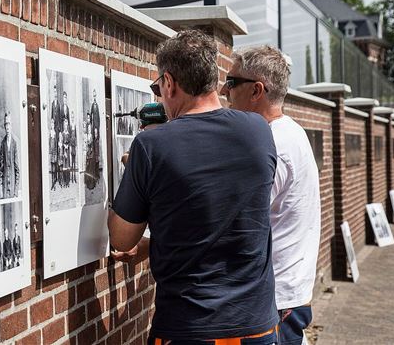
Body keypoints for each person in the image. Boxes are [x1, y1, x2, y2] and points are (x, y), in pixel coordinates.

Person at [109, 30, 278, 344]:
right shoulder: (258, 130)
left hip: (188, 328)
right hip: (257, 325)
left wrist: (137, 174)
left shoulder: (150, 146)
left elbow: (121, 238)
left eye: (158, 86)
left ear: (170, 83)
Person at [221, 45, 321, 345]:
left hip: (274, 302)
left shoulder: (271, 144)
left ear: (256, 91)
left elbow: (240, 222)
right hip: (286, 294)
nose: (224, 91)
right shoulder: (291, 132)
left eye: (231, 82)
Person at [0, 112, 20, 198]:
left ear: (11, 125)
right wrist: (1, 188)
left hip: (12, 189)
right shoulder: (2, 143)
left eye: (8, 124)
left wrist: (15, 192)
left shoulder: (15, 143)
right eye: (5, 124)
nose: (7, 127)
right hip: (5, 189)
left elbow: (17, 170)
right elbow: (1, 168)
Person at [70, 111, 77, 184]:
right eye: (71, 117)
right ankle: (71, 177)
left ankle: (74, 177)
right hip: (71, 146)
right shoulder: (70, 125)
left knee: (74, 162)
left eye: (73, 117)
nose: (72, 118)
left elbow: (76, 136)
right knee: (71, 162)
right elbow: (69, 136)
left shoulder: (74, 125)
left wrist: (76, 145)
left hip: (74, 145)